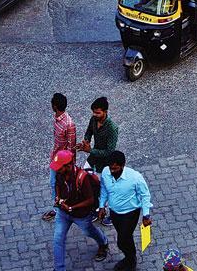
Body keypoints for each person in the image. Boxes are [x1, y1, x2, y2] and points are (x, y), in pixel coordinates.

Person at [50, 150, 109, 271]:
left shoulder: (82, 177)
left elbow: (90, 200)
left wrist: (71, 207)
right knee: (58, 239)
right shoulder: (59, 173)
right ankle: (59, 269)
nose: (56, 170)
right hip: (63, 213)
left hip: (81, 215)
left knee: (89, 232)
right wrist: (57, 197)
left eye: (59, 168)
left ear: (68, 165)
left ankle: (103, 242)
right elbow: (56, 184)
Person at [98, 150, 151, 271]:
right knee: (126, 237)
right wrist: (102, 206)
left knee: (122, 241)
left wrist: (146, 215)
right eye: (111, 168)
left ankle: (131, 260)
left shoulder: (135, 177)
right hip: (114, 213)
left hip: (130, 214)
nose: (112, 171)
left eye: (115, 169)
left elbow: (145, 195)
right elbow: (104, 189)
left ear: (123, 165)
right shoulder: (106, 172)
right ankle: (130, 258)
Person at [43, 93, 77, 222]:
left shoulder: (69, 124)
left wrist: (68, 166)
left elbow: (71, 147)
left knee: (60, 184)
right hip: (56, 158)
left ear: (55, 106)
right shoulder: (57, 118)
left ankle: (61, 210)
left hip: (63, 162)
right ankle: (58, 208)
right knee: (54, 184)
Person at [79, 96, 118, 175]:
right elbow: (89, 131)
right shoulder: (94, 119)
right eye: (93, 112)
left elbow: (109, 151)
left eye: (98, 113)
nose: (94, 114)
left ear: (105, 112)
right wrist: (86, 141)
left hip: (105, 163)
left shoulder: (112, 128)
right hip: (94, 157)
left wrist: (90, 150)